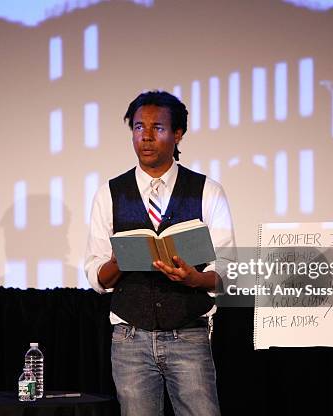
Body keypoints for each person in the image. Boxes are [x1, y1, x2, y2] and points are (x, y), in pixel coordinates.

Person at [84, 90, 235, 416]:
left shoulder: (207, 191)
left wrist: (196, 278)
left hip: (189, 335)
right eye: (138, 127)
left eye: (158, 128)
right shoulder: (110, 193)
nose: (146, 137)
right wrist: (117, 262)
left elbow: (228, 268)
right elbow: (96, 273)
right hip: (130, 338)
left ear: (178, 133)